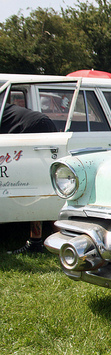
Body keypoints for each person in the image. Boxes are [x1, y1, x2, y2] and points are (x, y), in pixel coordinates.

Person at [1, 104, 57, 254]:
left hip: (35, 127)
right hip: (38, 124)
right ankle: (39, 241)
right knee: (42, 187)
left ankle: (59, 241)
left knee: (43, 185)